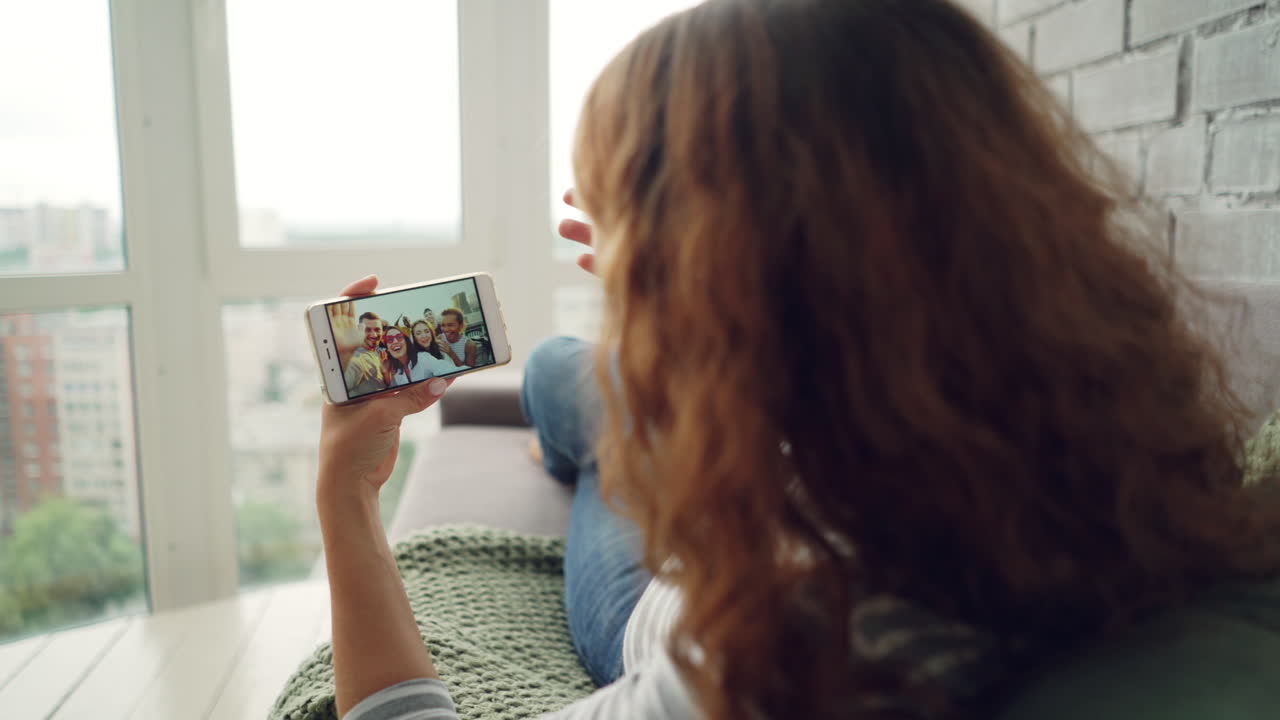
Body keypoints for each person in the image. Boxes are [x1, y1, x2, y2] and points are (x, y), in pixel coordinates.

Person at [314, 1, 1280, 719]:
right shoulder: (1079, 439)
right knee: (582, 368)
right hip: (794, 478)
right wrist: (676, 281)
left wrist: (346, 497)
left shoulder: (771, 661)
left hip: (675, 583)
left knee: (588, 385)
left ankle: (574, 447)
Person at [326, 305, 388, 398]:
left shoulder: (377, 354)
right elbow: (341, 388)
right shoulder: (357, 360)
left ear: (382, 331)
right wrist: (343, 359)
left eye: (377, 330)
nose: (374, 334)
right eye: (368, 330)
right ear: (360, 330)